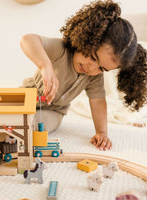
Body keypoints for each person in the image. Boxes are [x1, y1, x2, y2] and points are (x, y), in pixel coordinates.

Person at [20, 0, 147, 151]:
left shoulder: (94, 77)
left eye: (102, 68)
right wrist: (45, 65)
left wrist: (102, 132)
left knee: (34, 125)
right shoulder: (61, 49)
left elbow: (98, 102)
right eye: (93, 57)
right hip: (25, 97)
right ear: (88, 39)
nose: (91, 68)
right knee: (1, 113)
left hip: (53, 111)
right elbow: (28, 39)